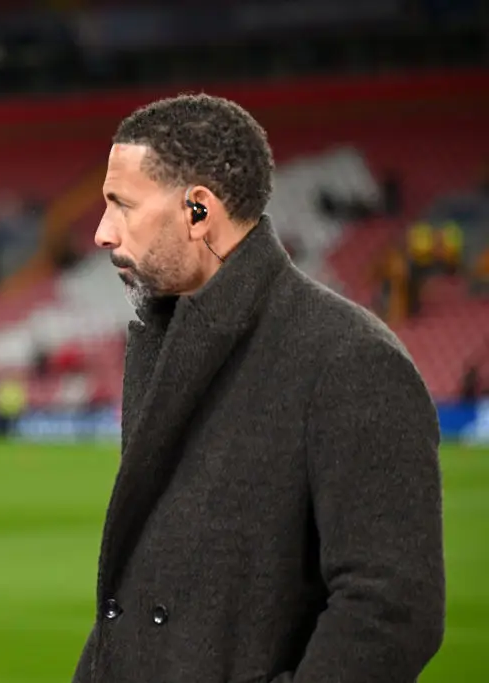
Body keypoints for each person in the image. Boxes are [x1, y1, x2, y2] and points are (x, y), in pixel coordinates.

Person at [74, 95, 445, 683]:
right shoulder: (164, 341)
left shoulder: (351, 359)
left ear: (198, 212)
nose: (101, 233)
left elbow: (392, 609)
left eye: (121, 205)